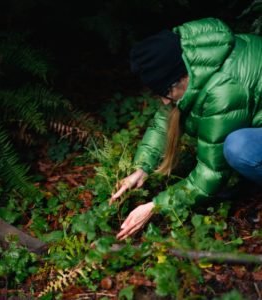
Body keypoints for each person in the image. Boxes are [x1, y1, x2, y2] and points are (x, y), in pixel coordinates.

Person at [110, 17, 262, 241]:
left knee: (239, 147)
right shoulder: (194, 57)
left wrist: (155, 206)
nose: (163, 102)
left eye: (166, 94)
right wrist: (141, 168)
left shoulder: (223, 90)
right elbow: (165, 119)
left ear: (181, 79)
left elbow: (211, 173)